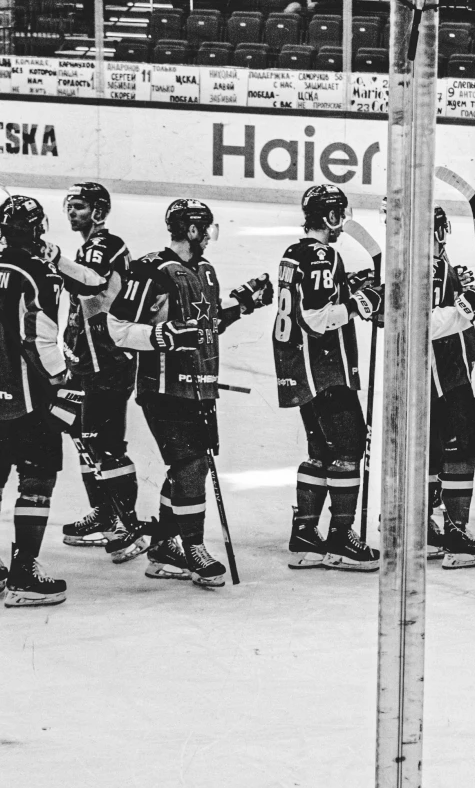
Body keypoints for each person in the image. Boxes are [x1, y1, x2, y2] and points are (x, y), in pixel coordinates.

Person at [103, 199, 275, 585]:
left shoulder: (207, 271)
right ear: (194, 230)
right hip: (162, 389)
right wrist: (161, 336)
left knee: (185, 468)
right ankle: (192, 547)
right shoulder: (150, 270)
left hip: (201, 388)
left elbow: (208, 324)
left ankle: (165, 548)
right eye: (207, 228)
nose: (211, 236)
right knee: (192, 465)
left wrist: (244, 304)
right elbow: (116, 328)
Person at [271, 185, 383, 571]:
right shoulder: (322, 255)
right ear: (330, 216)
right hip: (323, 369)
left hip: (299, 370)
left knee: (321, 450)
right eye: (339, 214)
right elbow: (317, 318)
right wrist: (361, 302)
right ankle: (340, 538)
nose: (341, 223)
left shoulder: (295, 252)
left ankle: (305, 534)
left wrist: (350, 284)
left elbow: (310, 298)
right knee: (349, 447)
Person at [51, 182, 139, 550]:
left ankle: (125, 523)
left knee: (106, 445)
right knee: (79, 434)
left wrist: (52, 258)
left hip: (109, 363)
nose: (73, 213)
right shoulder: (86, 247)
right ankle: (106, 513)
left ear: (99, 211)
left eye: (81, 207)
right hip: (85, 363)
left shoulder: (106, 244)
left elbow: (91, 284)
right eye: (69, 206)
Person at [0, 197, 69, 605]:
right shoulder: (37, 272)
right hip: (30, 399)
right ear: (38, 229)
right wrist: (61, 377)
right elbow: (39, 336)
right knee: (37, 481)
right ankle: (23, 574)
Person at [427, 208, 475, 567]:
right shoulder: (429, 265)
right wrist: (468, 306)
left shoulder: (431, 264)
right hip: (445, 374)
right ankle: (456, 535)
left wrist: (466, 288)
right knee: (462, 451)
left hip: (431, 375)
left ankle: (421, 529)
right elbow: (422, 320)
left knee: (431, 452)